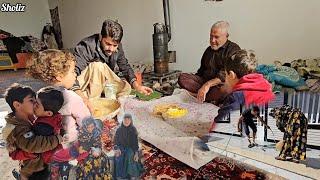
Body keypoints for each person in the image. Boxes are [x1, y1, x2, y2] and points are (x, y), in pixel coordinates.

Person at [26, 49, 92, 179]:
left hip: (47, 148)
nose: (75, 76)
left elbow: (34, 116)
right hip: (66, 149)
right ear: (59, 77)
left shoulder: (40, 94)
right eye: (73, 72)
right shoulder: (72, 98)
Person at [72, 19, 153, 108]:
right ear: (100, 37)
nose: (111, 49)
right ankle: (90, 100)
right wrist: (81, 96)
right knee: (97, 65)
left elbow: (124, 66)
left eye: (115, 46)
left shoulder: (117, 47)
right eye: (107, 44)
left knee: (127, 87)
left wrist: (137, 86)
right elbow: (73, 73)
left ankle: (97, 95)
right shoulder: (86, 46)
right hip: (87, 83)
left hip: (103, 83)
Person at [2, 83, 63, 180]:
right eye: (31, 101)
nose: (35, 104)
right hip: (34, 172)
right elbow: (32, 144)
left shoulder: (30, 118)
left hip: (40, 167)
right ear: (17, 105)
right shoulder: (18, 128)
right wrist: (56, 139)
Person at [178, 21, 240, 105]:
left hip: (220, 85)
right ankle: (205, 95)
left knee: (225, 89)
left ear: (226, 36)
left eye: (216, 37)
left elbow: (224, 75)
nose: (212, 40)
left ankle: (199, 95)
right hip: (205, 82)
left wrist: (207, 85)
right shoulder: (208, 50)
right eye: (211, 36)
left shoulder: (233, 49)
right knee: (183, 77)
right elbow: (201, 71)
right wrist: (196, 81)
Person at [212, 49, 275, 130]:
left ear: (231, 75)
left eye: (226, 75)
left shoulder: (236, 96)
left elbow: (219, 124)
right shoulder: (267, 88)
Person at [114, 114, 144, 179]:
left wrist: (136, 153)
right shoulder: (119, 130)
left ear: (131, 121)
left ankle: (131, 174)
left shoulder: (133, 130)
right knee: (119, 157)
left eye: (128, 119)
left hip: (130, 147)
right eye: (125, 119)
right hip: (120, 147)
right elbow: (116, 141)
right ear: (123, 120)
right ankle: (121, 176)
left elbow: (135, 143)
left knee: (129, 155)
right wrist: (117, 149)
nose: (126, 121)